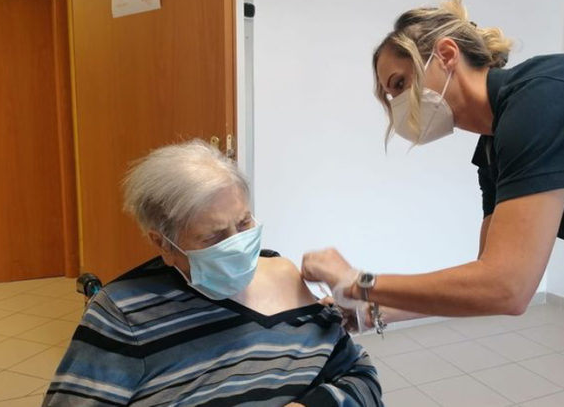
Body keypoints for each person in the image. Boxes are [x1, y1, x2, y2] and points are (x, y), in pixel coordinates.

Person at [301, 0, 564, 362]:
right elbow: (484, 279)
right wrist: (373, 310)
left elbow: (508, 287)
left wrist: (359, 283)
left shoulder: (540, 104)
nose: (398, 107)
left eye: (400, 84)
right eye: (390, 97)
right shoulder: (494, 148)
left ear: (446, 55)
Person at [42, 139, 382, 407]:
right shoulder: (124, 313)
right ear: (163, 244)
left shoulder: (284, 275)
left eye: (244, 223)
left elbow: (360, 377)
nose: (239, 244)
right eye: (214, 237)